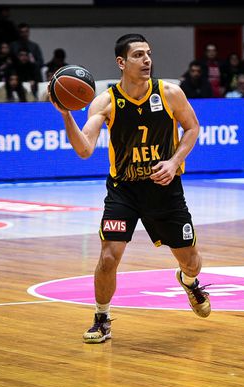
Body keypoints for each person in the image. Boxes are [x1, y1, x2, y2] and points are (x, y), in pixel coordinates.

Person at [49, 33, 211, 344]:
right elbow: (84, 149)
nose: (147, 59)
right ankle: (101, 319)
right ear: (121, 62)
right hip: (124, 191)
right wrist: (66, 114)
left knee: (191, 261)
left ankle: (189, 281)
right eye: (138, 55)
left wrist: (174, 161)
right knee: (109, 257)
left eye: (148, 53)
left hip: (164, 190)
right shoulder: (106, 102)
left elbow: (192, 127)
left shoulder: (170, 93)